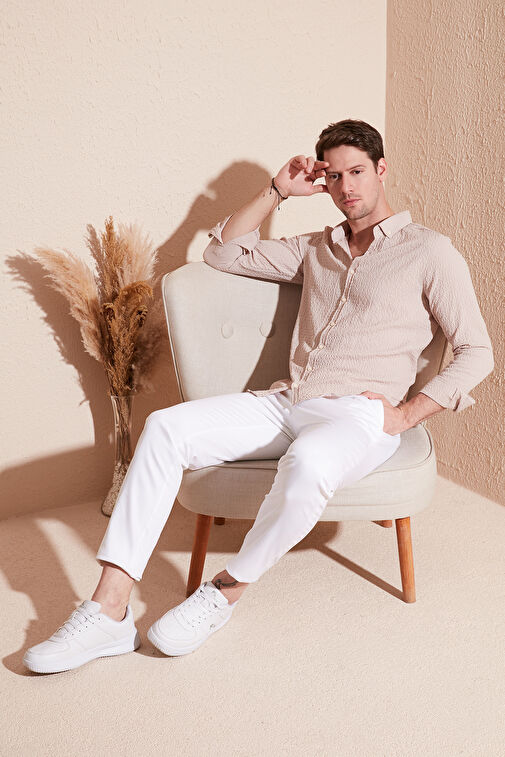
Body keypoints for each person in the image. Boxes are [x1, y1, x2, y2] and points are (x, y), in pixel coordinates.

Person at [23, 119, 494, 673]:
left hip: (360, 416)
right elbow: (224, 254)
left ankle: (224, 591)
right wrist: (276, 191)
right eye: (335, 176)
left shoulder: (430, 252)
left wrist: (407, 414)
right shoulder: (316, 248)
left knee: (310, 460)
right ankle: (109, 612)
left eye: (357, 173)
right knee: (166, 428)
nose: (346, 187)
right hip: (289, 400)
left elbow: (477, 351)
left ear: (382, 169)